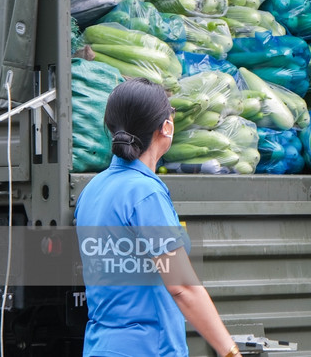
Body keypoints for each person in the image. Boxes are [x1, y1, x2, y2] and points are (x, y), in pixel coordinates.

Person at [75, 77, 240, 357]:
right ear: (167, 126)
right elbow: (183, 287)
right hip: (149, 349)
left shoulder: (91, 191)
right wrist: (230, 352)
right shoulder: (145, 194)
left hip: (100, 348)